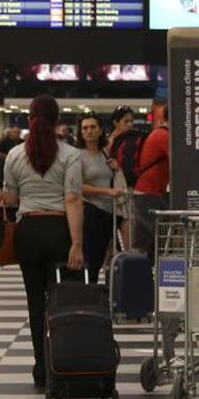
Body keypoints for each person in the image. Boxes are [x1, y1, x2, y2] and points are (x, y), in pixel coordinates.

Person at [1, 95, 84, 386]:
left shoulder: (13, 155)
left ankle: (40, 365)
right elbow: (73, 199)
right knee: (60, 301)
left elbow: (10, 199)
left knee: (35, 302)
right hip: (60, 230)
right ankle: (60, 360)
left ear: (29, 119)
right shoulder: (71, 155)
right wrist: (77, 243)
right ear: (58, 121)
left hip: (29, 233)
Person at [77, 113, 122, 283]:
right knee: (93, 259)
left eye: (93, 127)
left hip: (110, 213)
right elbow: (78, 186)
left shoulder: (105, 152)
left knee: (112, 257)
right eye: (85, 128)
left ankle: (109, 297)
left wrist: (116, 167)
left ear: (101, 130)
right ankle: (90, 295)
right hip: (91, 212)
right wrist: (106, 191)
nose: (89, 131)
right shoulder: (78, 156)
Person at [131, 111, 169, 256]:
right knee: (143, 240)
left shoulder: (160, 133)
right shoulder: (163, 135)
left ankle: (144, 272)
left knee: (150, 239)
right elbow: (179, 161)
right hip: (147, 193)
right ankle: (136, 272)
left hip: (152, 192)